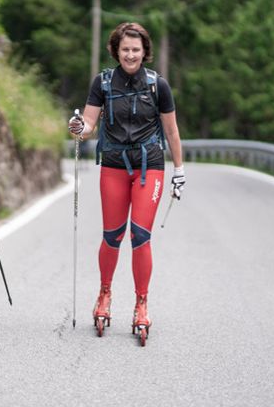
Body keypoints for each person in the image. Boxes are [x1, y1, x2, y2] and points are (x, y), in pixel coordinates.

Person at [68, 22, 185, 340]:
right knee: (113, 235)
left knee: (140, 235)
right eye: (125, 49)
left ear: (145, 52)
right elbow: (90, 123)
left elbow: (172, 131)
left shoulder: (157, 85)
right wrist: (80, 126)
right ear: (116, 51)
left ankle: (141, 304)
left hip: (151, 167)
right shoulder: (103, 82)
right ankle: (105, 294)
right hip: (115, 166)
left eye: (136, 49)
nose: (130, 55)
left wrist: (179, 171)